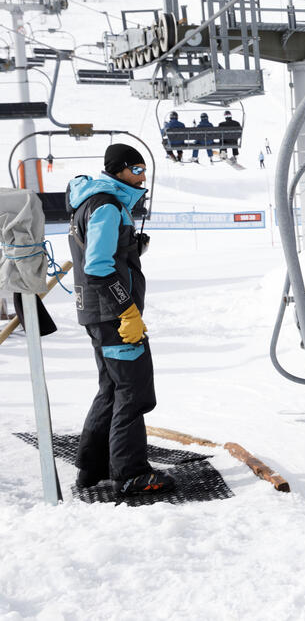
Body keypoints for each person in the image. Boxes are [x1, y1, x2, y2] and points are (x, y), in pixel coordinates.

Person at [66, 144, 174, 496]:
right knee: (133, 391)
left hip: (99, 314)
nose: (144, 176)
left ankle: (92, 469)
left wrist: (130, 249)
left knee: (112, 389)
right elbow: (97, 266)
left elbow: (99, 253)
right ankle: (130, 472)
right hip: (113, 316)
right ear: (119, 170)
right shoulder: (107, 207)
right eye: (137, 170)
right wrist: (126, 310)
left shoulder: (95, 201)